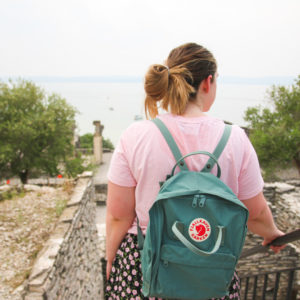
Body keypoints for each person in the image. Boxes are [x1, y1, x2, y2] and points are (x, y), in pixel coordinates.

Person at [105, 42, 284, 300]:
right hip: (209, 270)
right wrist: (272, 233)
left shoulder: (136, 136)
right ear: (208, 82)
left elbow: (118, 216)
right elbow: (254, 213)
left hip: (145, 267)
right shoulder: (236, 139)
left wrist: (112, 257)